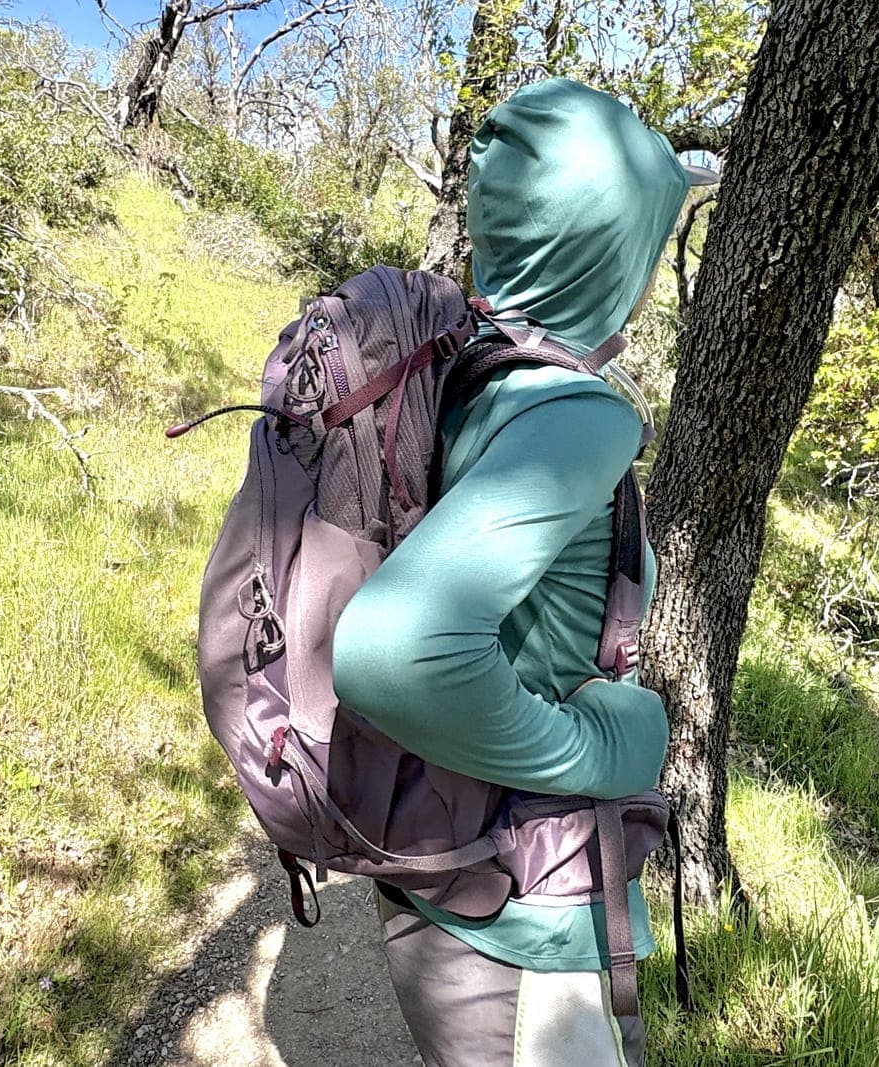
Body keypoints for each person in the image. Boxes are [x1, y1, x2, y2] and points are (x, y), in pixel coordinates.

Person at [330, 78, 713, 1066]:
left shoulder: (471, 370)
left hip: (448, 855)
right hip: (525, 912)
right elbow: (392, 651)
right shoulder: (575, 413)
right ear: (609, 246)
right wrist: (604, 748)